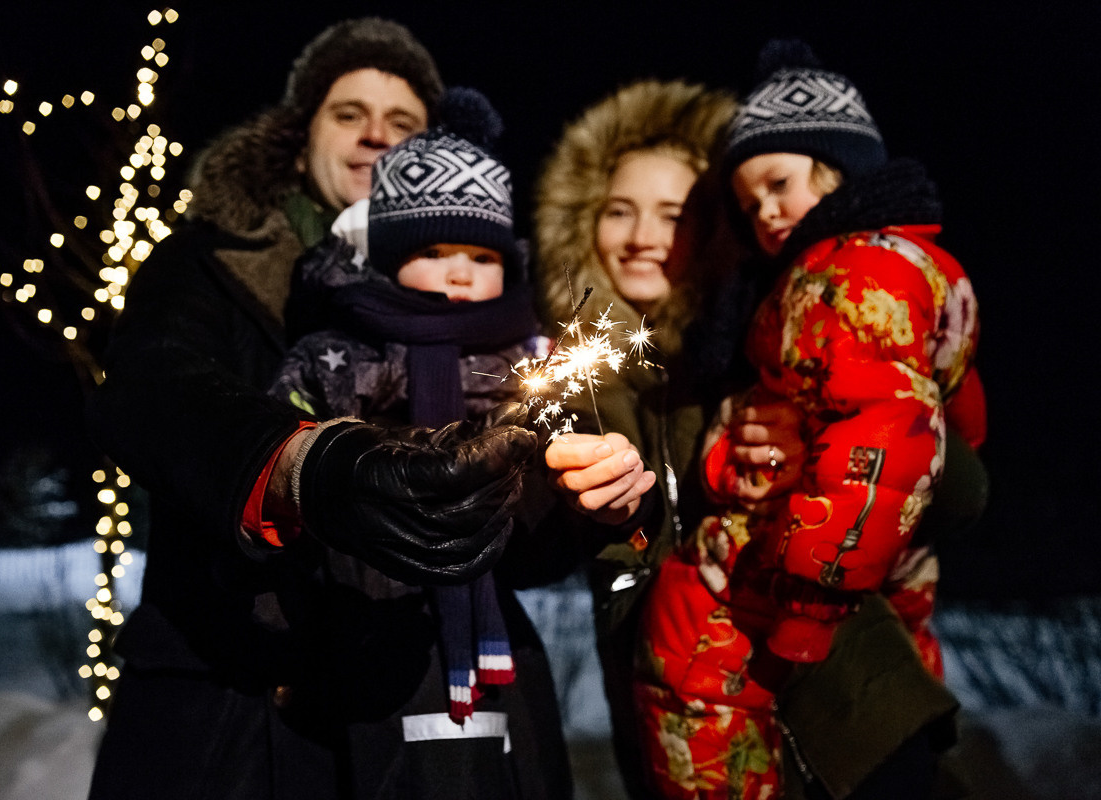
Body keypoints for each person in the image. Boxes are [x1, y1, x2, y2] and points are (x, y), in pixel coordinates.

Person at [85, 20, 551, 800]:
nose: (375, 133)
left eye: (403, 123)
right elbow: (149, 386)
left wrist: (581, 501)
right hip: (234, 706)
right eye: (348, 112)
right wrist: (300, 464)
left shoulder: (493, 304)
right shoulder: (211, 257)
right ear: (299, 139)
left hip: (435, 699)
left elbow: (532, 545)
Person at [633, 40, 987, 799]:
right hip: (835, 592)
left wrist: (810, 602)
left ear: (842, 168)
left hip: (807, 598)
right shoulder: (831, 282)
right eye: (748, 198)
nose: (765, 210)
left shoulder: (847, 277)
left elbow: (897, 437)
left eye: (781, 183)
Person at [264, 86, 574, 797]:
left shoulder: (527, 362)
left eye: (481, 253)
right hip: (366, 618)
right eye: (434, 249)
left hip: (494, 620)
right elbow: (284, 451)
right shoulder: (343, 355)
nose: (461, 271)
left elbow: (547, 512)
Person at [533, 79, 775, 799]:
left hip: (794, 701)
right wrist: (600, 517)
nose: (642, 238)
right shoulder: (564, 377)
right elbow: (541, 550)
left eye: (673, 215)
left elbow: (946, 495)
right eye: (618, 211)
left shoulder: (764, 348)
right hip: (649, 708)